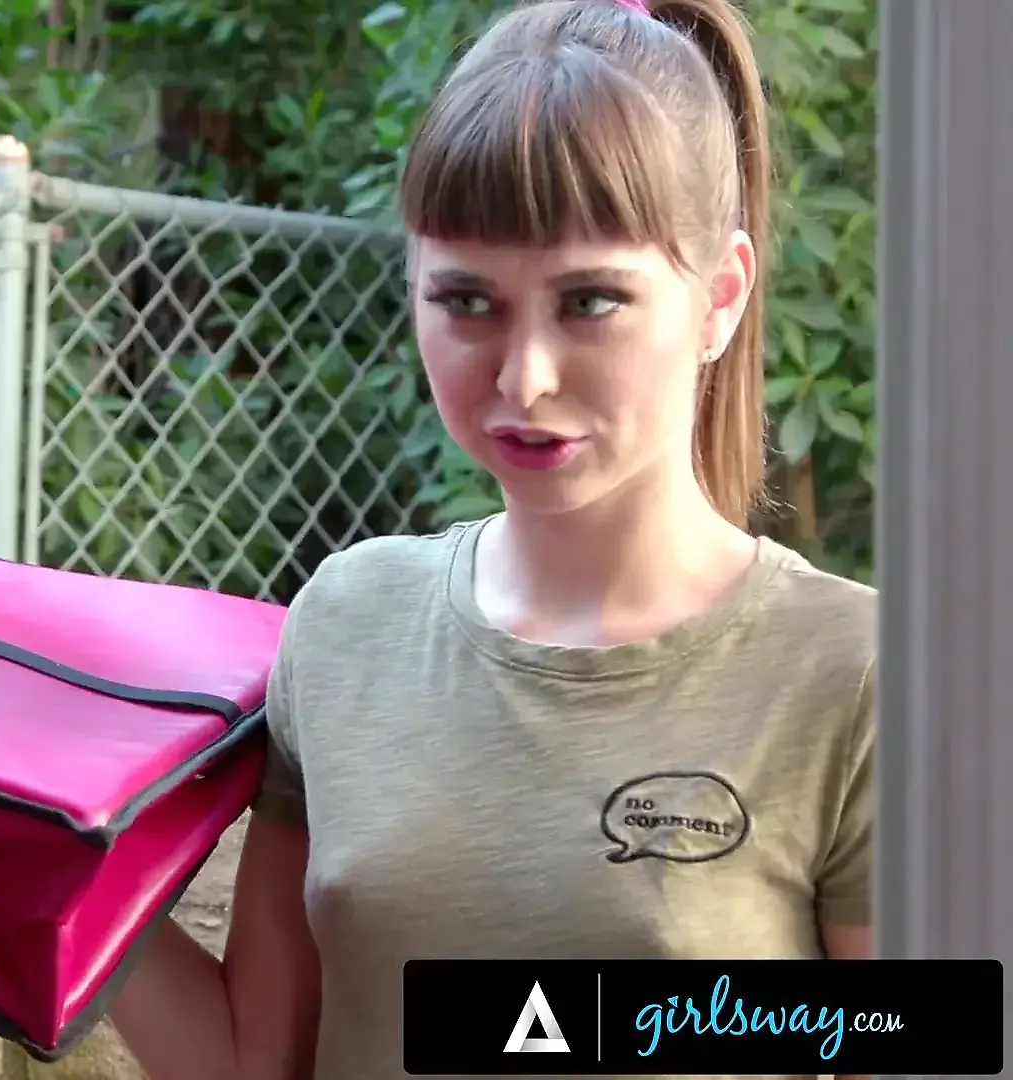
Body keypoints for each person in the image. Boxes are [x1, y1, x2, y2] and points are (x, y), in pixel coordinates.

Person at [107, 0, 876, 1077]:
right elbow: (252, 1063)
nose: (525, 377)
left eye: (590, 303)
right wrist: (35, 852)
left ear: (720, 298)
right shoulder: (346, 623)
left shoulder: (854, 674)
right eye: (468, 301)